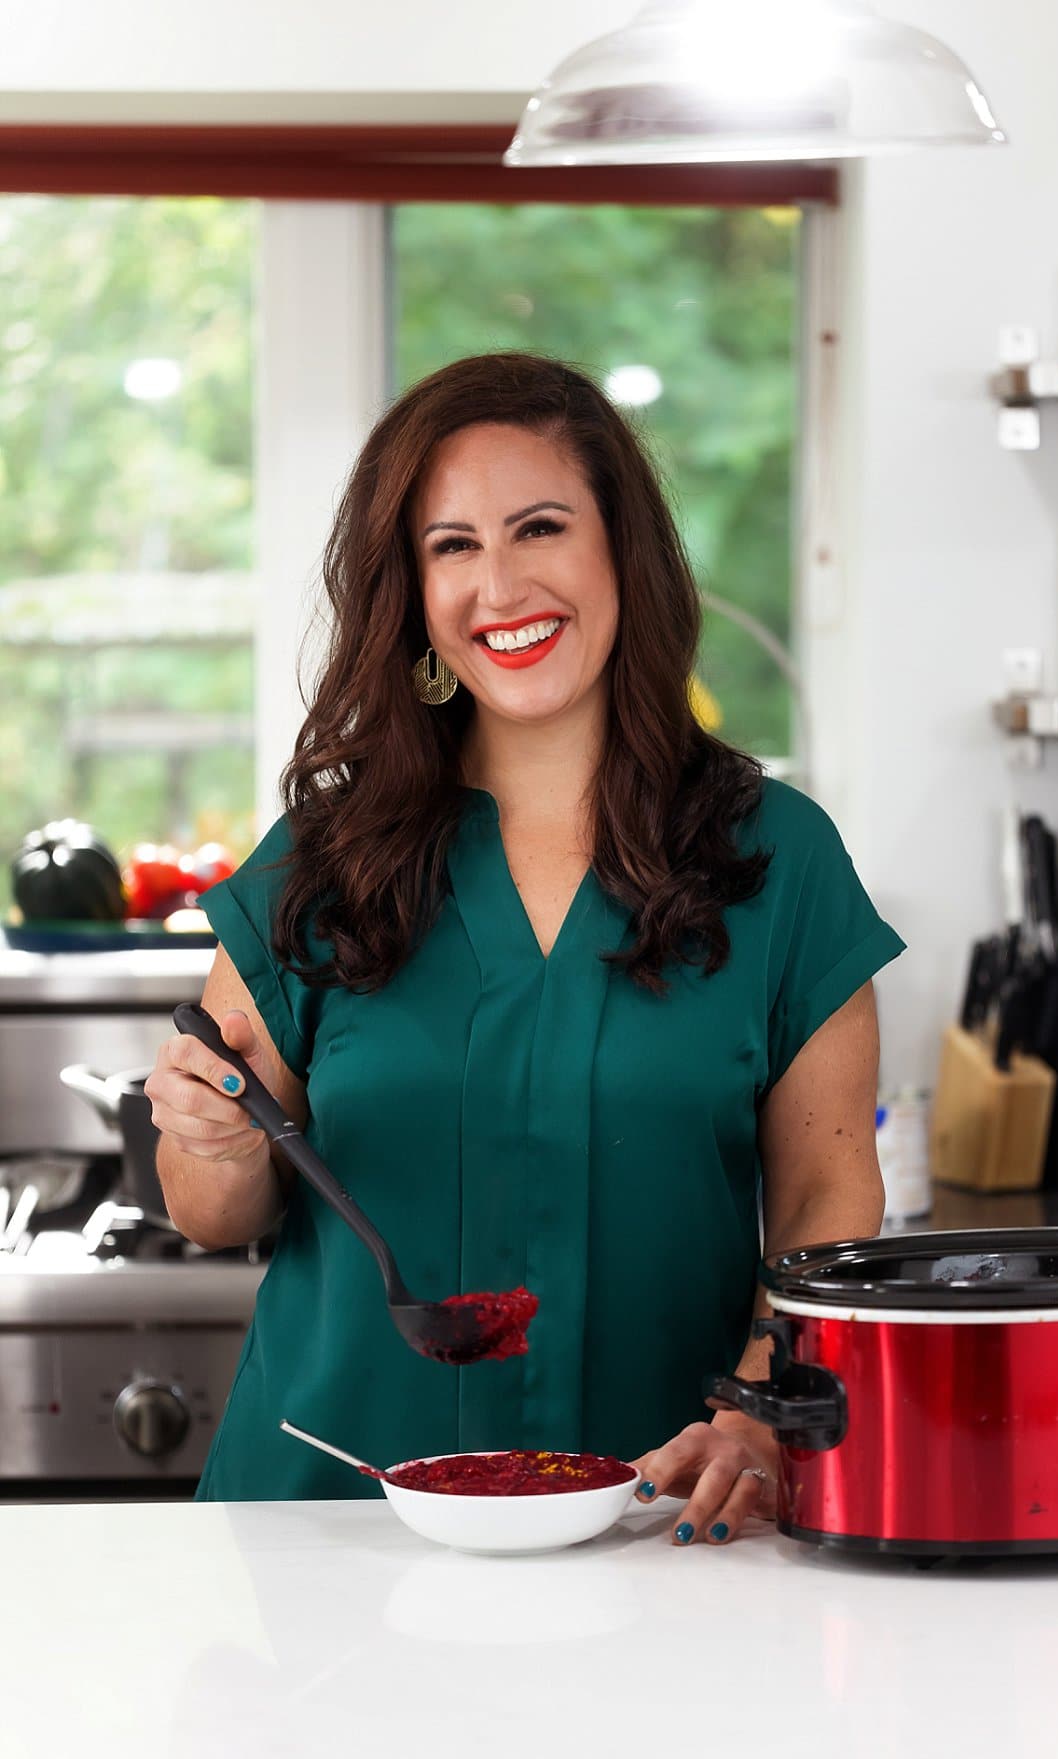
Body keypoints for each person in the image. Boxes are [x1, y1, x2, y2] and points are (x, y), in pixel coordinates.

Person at [147, 351, 904, 1545]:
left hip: (661, 1522)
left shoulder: (779, 856)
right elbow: (216, 1206)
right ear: (413, 586)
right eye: (452, 545)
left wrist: (767, 1407)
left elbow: (826, 1195)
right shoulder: (325, 852)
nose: (499, 584)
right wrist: (206, 1130)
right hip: (329, 1536)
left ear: (621, 551)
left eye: (539, 527)